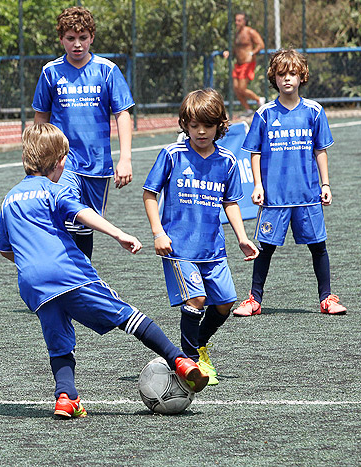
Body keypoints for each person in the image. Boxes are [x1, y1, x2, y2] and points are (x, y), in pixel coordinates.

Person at [0, 123, 208, 419]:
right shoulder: (51, 190)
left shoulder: (9, 199)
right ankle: (180, 360)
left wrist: (34, 261)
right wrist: (118, 234)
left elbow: (6, 249)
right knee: (127, 316)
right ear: (59, 162)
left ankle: (65, 398)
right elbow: (82, 212)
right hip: (69, 275)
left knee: (59, 341)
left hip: (33, 285)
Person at [143, 89, 259, 385]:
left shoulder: (228, 160)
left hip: (213, 249)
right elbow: (150, 194)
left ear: (220, 125)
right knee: (197, 298)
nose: (201, 131)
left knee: (225, 303)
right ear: (185, 124)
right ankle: (191, 360)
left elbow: (231, 203)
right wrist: (158, 233)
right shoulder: (172, 155)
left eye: (207, 125)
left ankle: (197, 343)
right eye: (194, 125)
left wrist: (242, 238)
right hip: (178, 247)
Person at [233, 49, 347, 317]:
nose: (287, 79)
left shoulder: (314, 112)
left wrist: (326, 185)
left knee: (318, 246)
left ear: (301, 76)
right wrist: (258, 185)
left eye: (292, 73)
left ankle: (327, 298)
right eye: (281, 74)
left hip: (308, 195)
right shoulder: (264, 114)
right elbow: (255, 152)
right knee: (265, 248)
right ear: (274, 77)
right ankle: (254, 300)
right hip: (275, 197)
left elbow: (320, 150)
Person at [32, 6, 134, 260]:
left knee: (85, 225)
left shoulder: (107, 70)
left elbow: (122, 113)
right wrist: (36, 155)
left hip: (98, 164)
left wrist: (125, 158)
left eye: (83, 38)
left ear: (92, 38)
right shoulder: (50, 72)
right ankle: (65, 278)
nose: (77, 44)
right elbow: (41, 117)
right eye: (70, 38)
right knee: (66, 216)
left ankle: (81, 279)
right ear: (61, 39)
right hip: (62, 162)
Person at [223, 12, 265, 116]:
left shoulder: (250, 32)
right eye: (236, 20)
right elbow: (236, 48)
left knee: (242, 88)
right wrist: (229, 52)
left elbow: (261, 44)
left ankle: (259, 99)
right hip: (238, 64)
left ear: (244, 21)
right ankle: (248, 109)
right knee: (236, 89)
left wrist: (252, 53)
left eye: (239, 20)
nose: (236, 22)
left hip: (247, 63)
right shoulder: (237, 33)